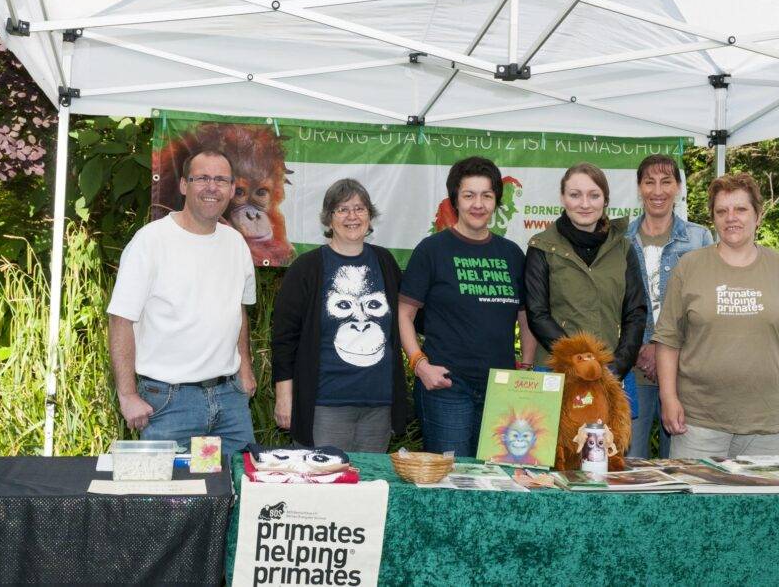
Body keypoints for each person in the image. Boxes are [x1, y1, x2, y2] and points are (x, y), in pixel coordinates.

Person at [653, 173, 779, 459]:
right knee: (697, 502)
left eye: (741, 209)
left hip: (766, 422)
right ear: (714, 218)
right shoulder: (689, 267)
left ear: (758, 215)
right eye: (722, 211)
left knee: (756, 504)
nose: (731, 218)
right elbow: (668, 340)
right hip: (698, 422)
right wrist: (668, 398)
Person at [107, 148, 257, 453]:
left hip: (229, 399)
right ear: (184, 186)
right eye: (202, 178)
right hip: (168, 402)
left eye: (220, 179)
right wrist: (127, 395)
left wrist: (245, 367)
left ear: (231, 189)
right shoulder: (150, 241)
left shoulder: (235, 243)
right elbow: (121, 318)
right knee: (172, 497)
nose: (212, 187)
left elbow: (236, 309)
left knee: (236, 491)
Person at [398, 156, 537, 456]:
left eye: (486, 195)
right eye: (469, 195)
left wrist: (525, 367)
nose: (478, 204)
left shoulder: (512, 254)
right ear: (455, 201)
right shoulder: (432, 250)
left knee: (495, 479)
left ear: (496, 202)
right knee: (450, 480)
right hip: (446, 386)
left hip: (501, 388)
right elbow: (404, 314)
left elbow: (526, 317)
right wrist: (420, 365)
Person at [271, 179, 407, 451]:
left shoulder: (385, 262)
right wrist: (284, 397)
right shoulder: (307, 268)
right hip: (324, 405)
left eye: (359, 208)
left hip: (378, 405)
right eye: (342, 210)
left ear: (370, 217)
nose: (352, 216)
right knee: (323, 487)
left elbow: (406, 321)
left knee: (369, 487)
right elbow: (284, 339)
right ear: (329, 219)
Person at [524, 162, 647, 414]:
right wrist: (579, 361)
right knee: (557, 451)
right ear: (562, 198)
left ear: (605, 200)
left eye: (594, 195)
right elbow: (537, 314)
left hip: (611, 371)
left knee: (609, 451)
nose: (585, 204)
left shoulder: (624, 248)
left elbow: (635, 312)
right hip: (556, 371)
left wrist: (617, 365)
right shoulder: (541, 246)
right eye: (575, 195)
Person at [624, 154, 714, 459]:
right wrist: (639, 346)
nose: (658, 191)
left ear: (678, 187)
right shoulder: (620, 238)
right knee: (629, 461)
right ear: (639, 188)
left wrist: (661, 348)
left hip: (683, 368)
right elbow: (612, 301)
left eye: (666, 182)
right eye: (649, 182)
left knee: (681, 463)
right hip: (633, 365)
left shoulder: (700, 238)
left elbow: (705, 305)